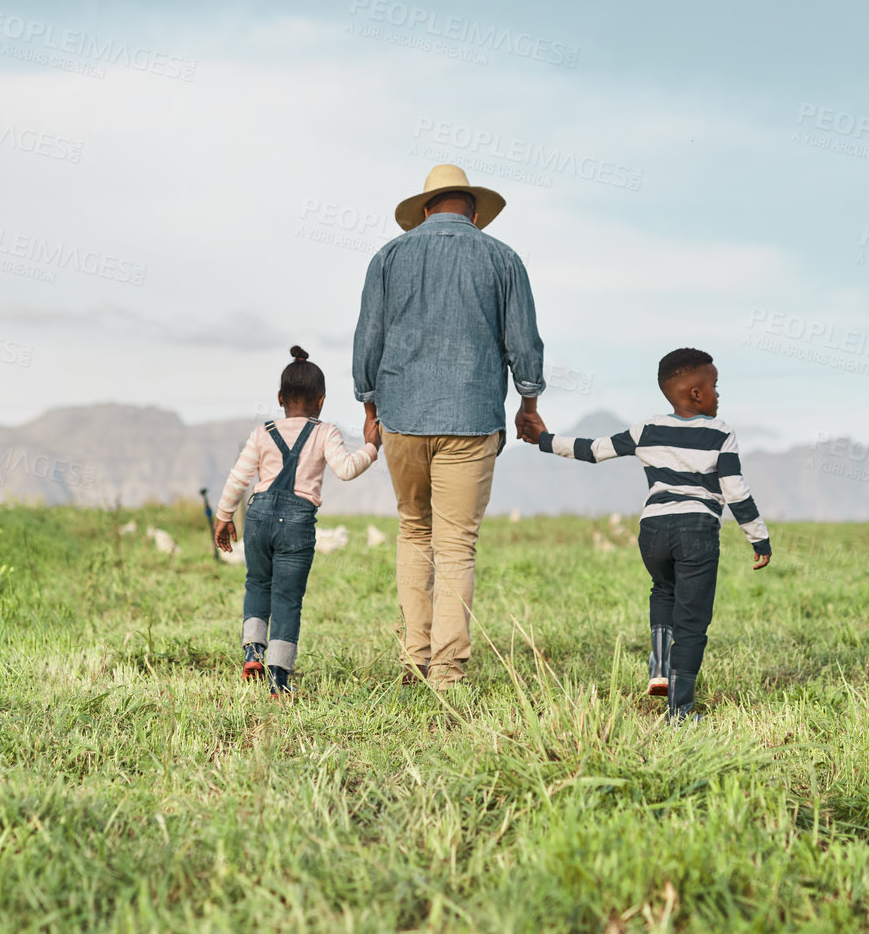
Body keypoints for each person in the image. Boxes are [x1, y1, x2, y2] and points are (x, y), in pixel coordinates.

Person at [353, 164, 545, 689]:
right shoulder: (502, 258)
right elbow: (523, 343)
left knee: (414, 530)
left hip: (403, 417)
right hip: (472, 415)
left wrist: (370, 411)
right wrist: (528, 404)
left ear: (424, 210)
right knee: (457, 545)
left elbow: (368, 340)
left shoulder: (388, 257)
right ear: (476, 213)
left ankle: (414, 658)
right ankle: (447, 672)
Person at [519, 348, 771, 720]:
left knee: (663, 591)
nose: (719, 394)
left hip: (653, 531)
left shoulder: (648, 429)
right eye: (715, 386)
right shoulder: (720, 433)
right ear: (696, 393)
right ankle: (681, 710)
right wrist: (758, 538)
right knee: (693, 617)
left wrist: (543, 438)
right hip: (696, 530)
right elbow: (734, 490)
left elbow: (593, 450)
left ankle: (659, 669)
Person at [213, 346, 381, 697]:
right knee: (287, 598)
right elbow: (346, 470)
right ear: (321, 401)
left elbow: (238, 478)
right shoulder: (326, 432)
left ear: (279, 398)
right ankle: (278, 681)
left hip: (257, 517)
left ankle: (252, 651)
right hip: (298, 524)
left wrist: (224, 516)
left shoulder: (263, 432)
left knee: (257, 583)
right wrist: (370, 447)